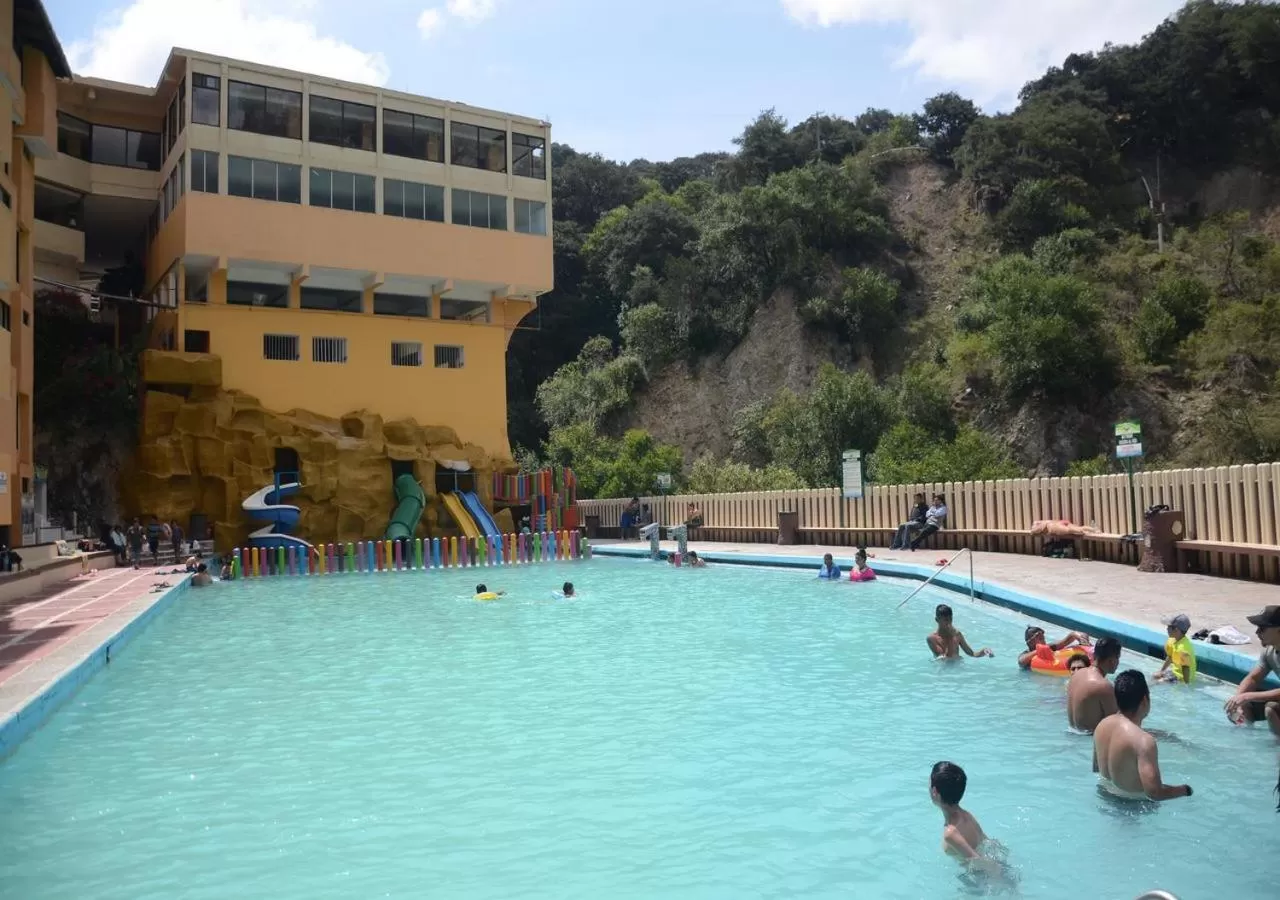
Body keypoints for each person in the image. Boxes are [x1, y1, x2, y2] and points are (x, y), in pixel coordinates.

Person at [1092, 670, 1192, 801]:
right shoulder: (1143, 741)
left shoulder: (1101, 726)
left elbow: (1096, 768)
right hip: (1133, 808)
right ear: (1145, 700)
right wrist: (1185, 790)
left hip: (1105, 797)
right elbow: (1155, 793)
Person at [929, 761, 1010, 881]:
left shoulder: (950, 833)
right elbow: (989, 842)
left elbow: (978, 861)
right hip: (994, 864)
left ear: (935, 792)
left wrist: (1000, 879)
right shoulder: (966, 814)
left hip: (979, 878)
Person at [1224, 605, 1280, 736]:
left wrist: (1248, 696)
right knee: (1244, 701)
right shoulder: (1269, 651)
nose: (1257, 633)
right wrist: (1237, 700)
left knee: (1271, 709)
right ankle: (1248, 738)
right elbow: (1253, 678)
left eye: (1262, 628)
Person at [1067, 637, 1121, 733]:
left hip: (1071, 734)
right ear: (1112, 660)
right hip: (1089, 741)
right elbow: (1117, 726)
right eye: (1118, 658)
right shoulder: (1103, 686)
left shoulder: (1075, 677)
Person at [927, 604, 992, 659]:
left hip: (958, 669)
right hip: (943, 671)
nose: (949, 623)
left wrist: (984, 651)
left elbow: (972, 654)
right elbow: (943, 659)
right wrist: (950, 637)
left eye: (950, 619)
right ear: (937, 620)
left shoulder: (957, 634)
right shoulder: (931, 639)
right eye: (946, 620)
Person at [1017, 625, 1091, 670]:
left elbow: (1067, 639)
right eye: (1040, 639)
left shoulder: (1049, 647)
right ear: (1030, 642)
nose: (1044, 641)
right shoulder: (1025, 655)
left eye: (1043, 638)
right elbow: (1021, 661)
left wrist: (1080, 637)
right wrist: (1039, 650)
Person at [1156, 614, 1197, 684]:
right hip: (1176, 672)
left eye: (1169, 627)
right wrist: (1161, 671)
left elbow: (1186, 668)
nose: (1167, 629)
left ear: (1176, 630)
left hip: (1181, 677)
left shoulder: (1183, 649)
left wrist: (1186, 684)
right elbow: (1170, 657)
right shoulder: (1173, 640)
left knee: (1158, 682)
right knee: (1155, 676)